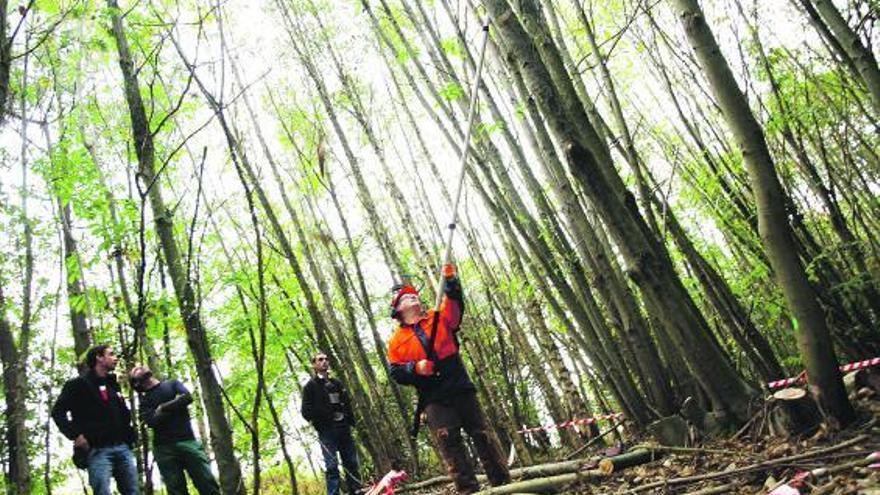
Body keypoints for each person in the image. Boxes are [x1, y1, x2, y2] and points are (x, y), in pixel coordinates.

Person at [387, 264, 510, 494]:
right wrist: (415, 368)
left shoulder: (438, 316)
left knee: (482, 435)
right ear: (398, 309)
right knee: (450, 446)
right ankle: (468, 490)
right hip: (433, 397)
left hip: (460, 385)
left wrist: (451, 282)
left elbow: (454, 308)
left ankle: (503, 485)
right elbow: (396, 372)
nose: (413, 297)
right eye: (406, 297)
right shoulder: (396, 341)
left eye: (415, 295)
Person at [51, 344, 139, 495]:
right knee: (102, 491)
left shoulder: (112, 385)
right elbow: (58, 412)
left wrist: (129, 438)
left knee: (132, 491)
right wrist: (75, 435)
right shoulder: (77, 384)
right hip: (98, 450)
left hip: (123, 447)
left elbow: (122, 414)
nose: (115, 358)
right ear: (99, 357)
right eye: (111, 354)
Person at [129, 365, 220, 495]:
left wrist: (162, 408)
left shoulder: (172, 384)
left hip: (188, 441)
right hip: (164, 449)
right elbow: (152, 422)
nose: (140, 368)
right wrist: (175, 404)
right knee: (176, 490)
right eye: (136, 370)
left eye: (141, 367)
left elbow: (187, 398)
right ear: (136, 382)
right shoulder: (144, 402)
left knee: (207, 483)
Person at [301, 352, 362, 495]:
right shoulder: (310, 386)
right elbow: (306, 411)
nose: (324, 362)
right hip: (327, 431)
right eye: (320, 360)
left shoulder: (337, 383)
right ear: (314, 365)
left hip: (343, 428)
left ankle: (357, 490)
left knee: (351, 462)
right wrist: (320, 420)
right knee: (332, 465)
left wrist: (350, 421)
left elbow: (347, 403)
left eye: (326, 359)